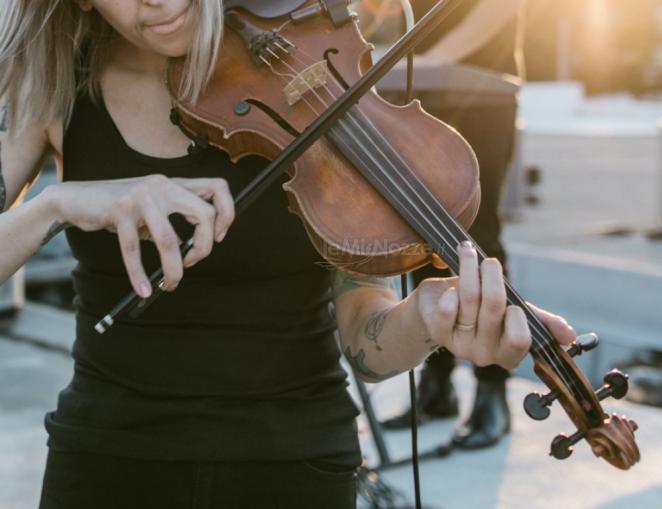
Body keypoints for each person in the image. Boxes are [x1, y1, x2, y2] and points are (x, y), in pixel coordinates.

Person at [0, 1, 575, 508]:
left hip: (294, 462)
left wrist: (426, 318)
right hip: (105, 459)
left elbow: (366, 344)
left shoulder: (308, 70)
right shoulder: (51, 89)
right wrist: (57, 204)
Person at [382, 0, 525, 449]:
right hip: (422, 84)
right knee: (422, 234)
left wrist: (431, 57)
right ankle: (437, 384)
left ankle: (491, 393)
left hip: (479, 90)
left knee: (476, 241)